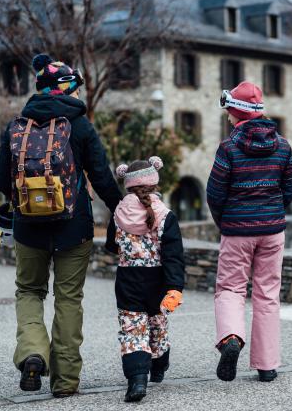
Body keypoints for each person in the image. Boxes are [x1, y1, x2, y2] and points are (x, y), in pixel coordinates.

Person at [0, 54, 122, 397]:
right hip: (73, 227)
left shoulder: (16, 125)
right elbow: (102, 176)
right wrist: (119, 209)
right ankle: (65, 382)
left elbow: (1, 180)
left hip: (28, 227)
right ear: (67, 90)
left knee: (30, 291)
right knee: (68, 299)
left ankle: (33, 353)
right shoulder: (79, 125)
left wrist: (27, 202)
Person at [206, 81, 292, 383]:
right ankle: (267, 365)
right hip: (272, 230)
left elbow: (214, 193)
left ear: (235, 113)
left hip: (237, 230)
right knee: (268, 294)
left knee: (231, 288)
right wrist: (273, 213)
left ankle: (231, 338)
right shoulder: (283, 146)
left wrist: (225, 221)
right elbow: (289, 190)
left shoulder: (229, 147)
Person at [112, 157, 185, 402]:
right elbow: (174, 255)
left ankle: (137, 380)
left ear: (128, 184)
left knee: (133, 331)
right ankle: (159, 365)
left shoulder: (118, 212)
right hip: (158, 280)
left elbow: (112, 246)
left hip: (127, 279)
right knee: (158, 327)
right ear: (154, 182)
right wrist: (175, 287)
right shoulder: (165, 214)